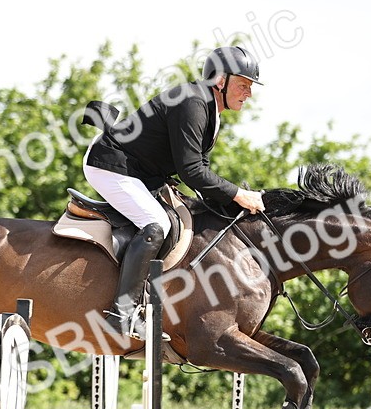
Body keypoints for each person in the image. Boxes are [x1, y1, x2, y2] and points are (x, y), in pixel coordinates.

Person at [83, 45, 266, 340]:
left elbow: (199, 168)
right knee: (158, 225)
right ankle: (122, 314)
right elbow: (191, 170)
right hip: (111, 165)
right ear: (221, 80)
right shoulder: (192, 102)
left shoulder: (209, 110)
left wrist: (229, 202)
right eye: (244, 85)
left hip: (141, 173)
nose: (249, 93)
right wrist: (238, 195)